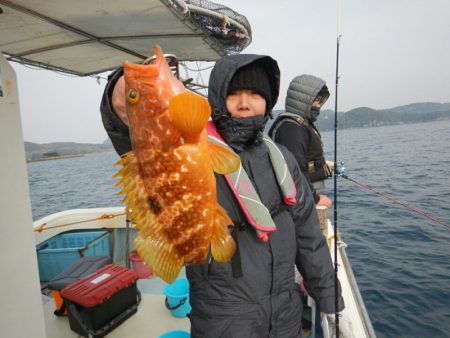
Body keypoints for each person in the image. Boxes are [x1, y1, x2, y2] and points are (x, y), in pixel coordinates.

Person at [100, 54, 344, 337]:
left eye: (254, 93)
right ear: (217, 100)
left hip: (284, 315)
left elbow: (308, 235)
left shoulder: (283, 159)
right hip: (223, 321)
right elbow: (138, 138)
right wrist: (122, 92)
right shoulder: (192, 138)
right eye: (233, 94)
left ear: (268, 100)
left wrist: (328, 295)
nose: (244, 102)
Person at [268, 74, 333, 209]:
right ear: (305, 101)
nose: (318, 106)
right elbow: (295, 169)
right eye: (316, 101)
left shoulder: (299, 125)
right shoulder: (291, 129)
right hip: (304, 202)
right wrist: (315, 199)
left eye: (320, 102)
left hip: (308, 196)